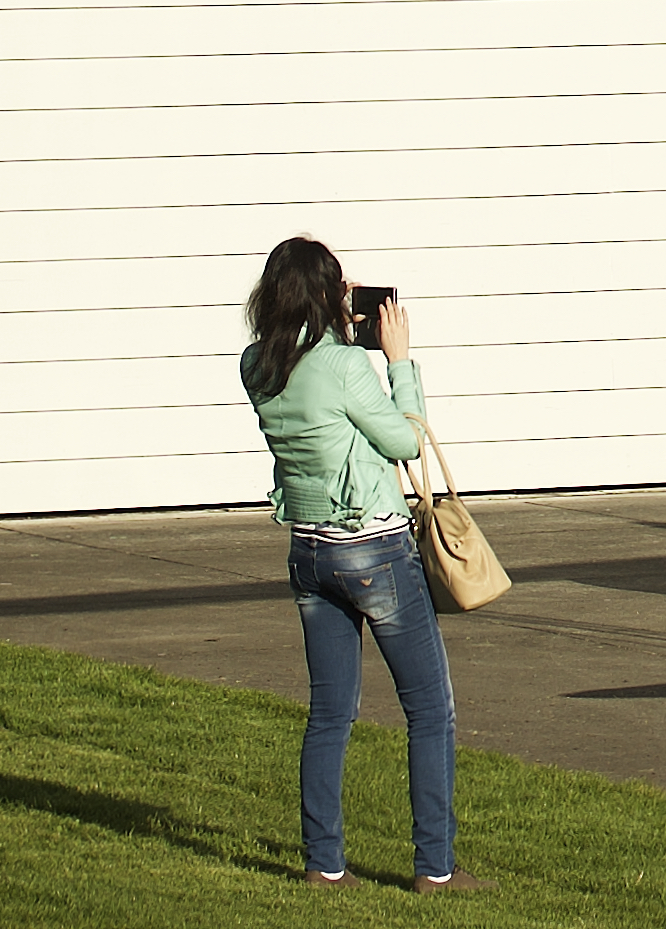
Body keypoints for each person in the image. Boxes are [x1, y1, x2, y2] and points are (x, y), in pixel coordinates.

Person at [242, 236, 469, 891]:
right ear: (324, 295)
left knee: (330, 712)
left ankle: (324, 863)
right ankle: (435, 867)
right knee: (429, 709)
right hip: (371, 548)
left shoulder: (256, 364)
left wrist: (337, 321)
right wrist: (399, 362)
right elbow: (404, 438)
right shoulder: (342, 366)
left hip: (309, 551)